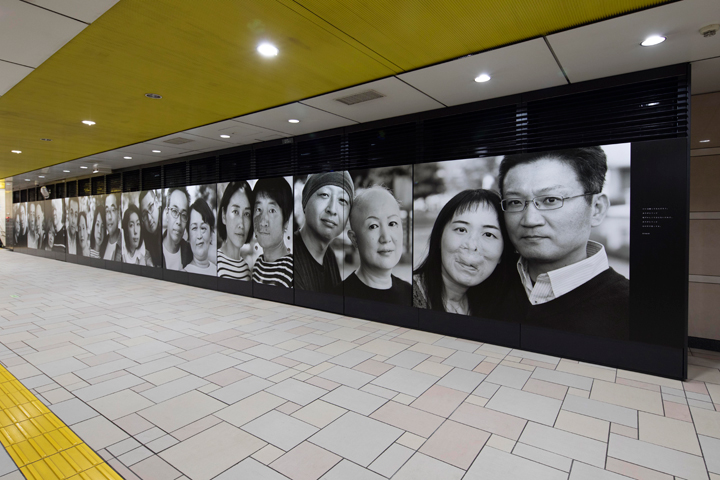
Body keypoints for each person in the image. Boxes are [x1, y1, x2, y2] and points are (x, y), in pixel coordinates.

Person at [497, 147, 630, 339]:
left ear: (597, 208)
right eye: (515, 202)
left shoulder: (633, 311)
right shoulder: (485, 283)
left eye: (551, 200)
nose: (530, 220)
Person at [414, 189, 514, 316]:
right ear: (439, 236)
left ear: (502, 253)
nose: (472, 245)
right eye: (461, 230)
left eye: (488, 234)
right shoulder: (408, 297)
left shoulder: (500, 307)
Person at [342, 186, 411, 305]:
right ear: (354, 239)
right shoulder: (339, 298)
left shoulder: (409, 293)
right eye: (373, 226)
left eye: (392, 223)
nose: (386, 238)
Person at [294, 171, 354, 293]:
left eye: (342, 200)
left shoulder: (328, 256)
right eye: (324, 195)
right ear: (305, 201)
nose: (332, 209)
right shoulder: (289, 260)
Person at [252, 178, 293, 288]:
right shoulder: (259, 263)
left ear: (286, 222)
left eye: (271, 210)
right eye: (258, 209)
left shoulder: (290, 272)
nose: (262, 222)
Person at [217, 182, 253, 280]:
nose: (241, 224)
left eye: (247, 214)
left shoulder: (247, 271)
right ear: (224, 215)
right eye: (235, 212)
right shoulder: (215, 264)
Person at [184, 199, 217, 275]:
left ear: (211, 234)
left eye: (203, 228)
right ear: (188, 236)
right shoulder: (184, 274)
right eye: (194, 228)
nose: (199, 236)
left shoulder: (217, 271)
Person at [162, 188, 193, 270]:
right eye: (174, 211)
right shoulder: (154, 252)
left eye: (184, 215)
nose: (179, 221)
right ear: (167, 213)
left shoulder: (191, 254)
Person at [140, 190, 162, 267]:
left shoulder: (168, 223)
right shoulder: (142, 237)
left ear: (157, 202)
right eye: (144, 214)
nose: (149, 218)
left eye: (151, 207)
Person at [102, 194, 122, 261]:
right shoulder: (103, 243)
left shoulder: (124, 244)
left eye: (113, 210)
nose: (109, 217)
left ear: (118, 213)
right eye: (107, 211)